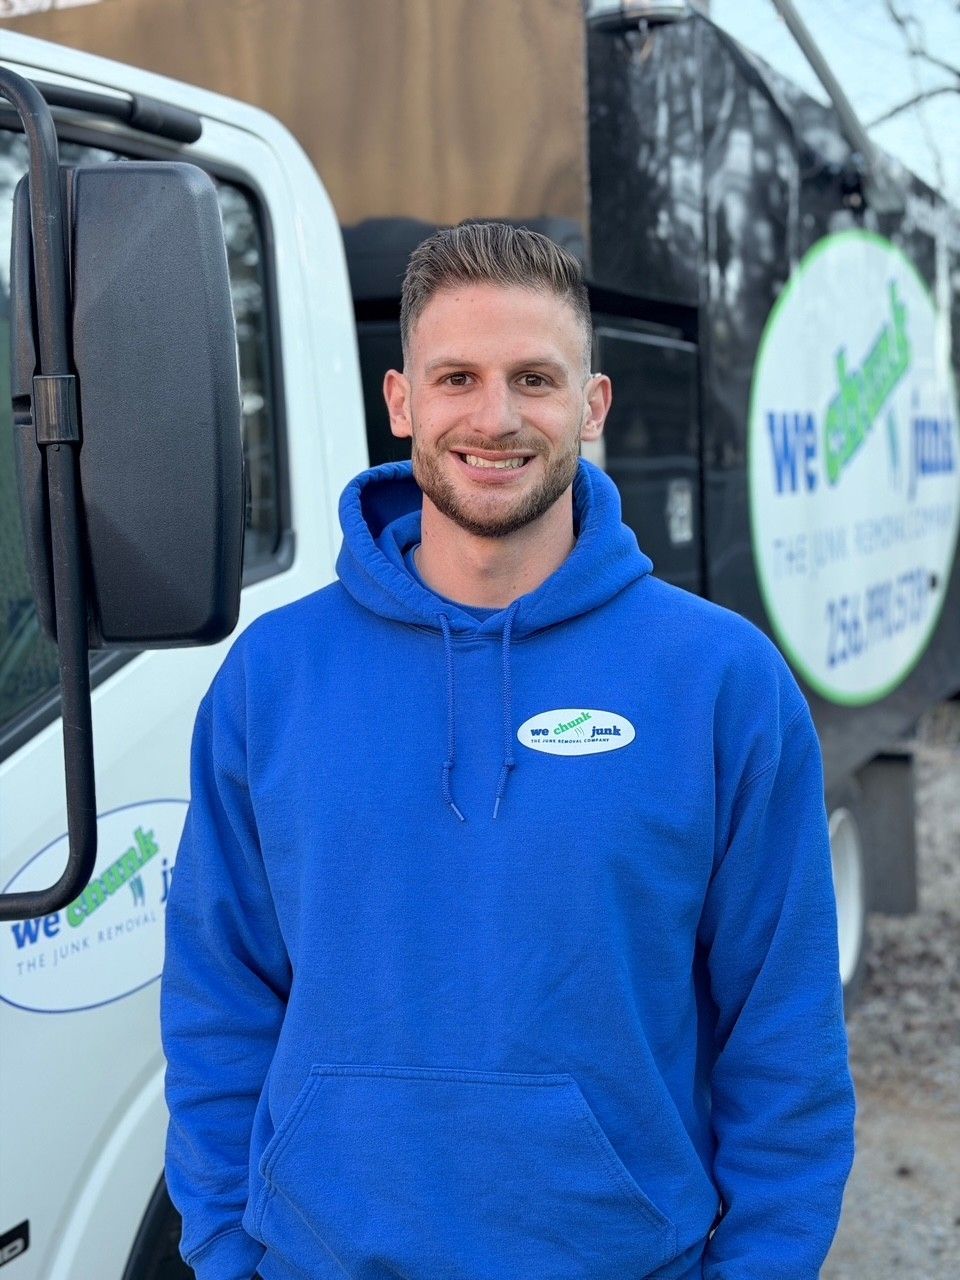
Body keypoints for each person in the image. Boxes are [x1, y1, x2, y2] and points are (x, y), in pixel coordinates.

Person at [161, 221, 856, 1280]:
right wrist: (221, 1247)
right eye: (458, 378)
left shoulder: (720, 681)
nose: (495, 418)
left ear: (592, 404)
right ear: (401, 402)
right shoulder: (273, 677)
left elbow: (784, 1032)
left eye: (535, 378)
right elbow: (220, 996)